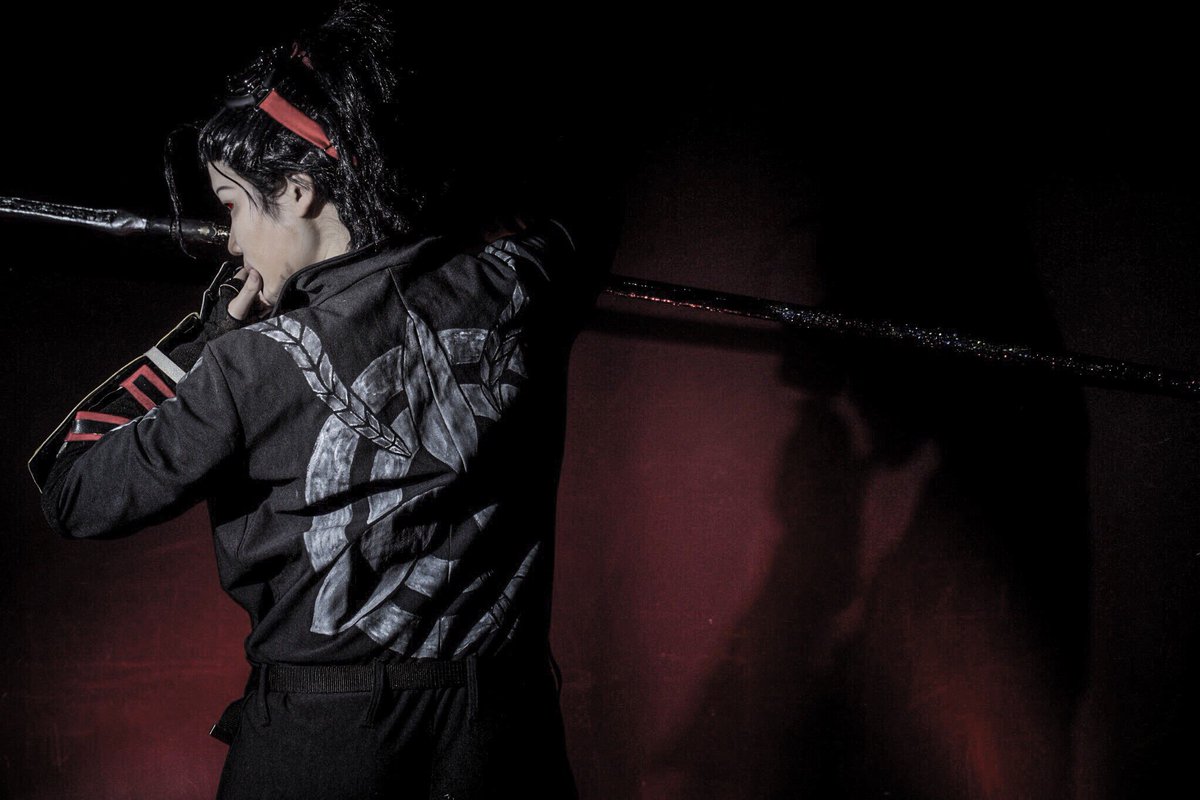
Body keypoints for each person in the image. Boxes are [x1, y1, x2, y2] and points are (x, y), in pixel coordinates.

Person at [27, 2, 621, 797]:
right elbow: (583, 193)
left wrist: (205, 336)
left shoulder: (247, 365)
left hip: (325, 744)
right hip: (503, 743)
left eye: (233, 206)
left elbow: (73, 488)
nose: (232, 242)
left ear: (300, 192)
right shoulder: (520, 284)